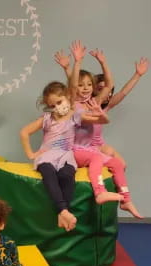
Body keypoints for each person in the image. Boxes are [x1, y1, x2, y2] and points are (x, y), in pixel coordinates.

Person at [20, 40, 110, 231]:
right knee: (48, 173)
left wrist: (77, 63)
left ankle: (63, 212)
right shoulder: (47, 118)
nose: (57, 107)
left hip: (66, 155)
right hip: (48, 153)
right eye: (52, 105)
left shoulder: (74, 116)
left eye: (59, 102)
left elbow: (99, 119)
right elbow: (24, 132)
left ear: (68, 99)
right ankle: (64, 211)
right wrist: (31, 153)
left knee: (67, 176)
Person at [55, 46, 143, 218]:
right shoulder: (72, 103)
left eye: (89, 84)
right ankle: (99, 192)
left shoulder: (95, 102)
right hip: (74, 150)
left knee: (117, 164)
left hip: (90, 149)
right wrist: (76, 62)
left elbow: (110, 85)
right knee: (96, 158)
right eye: (81, 85)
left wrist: (103, 62)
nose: (85, 88)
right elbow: (72, 86)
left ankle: (126, 200)